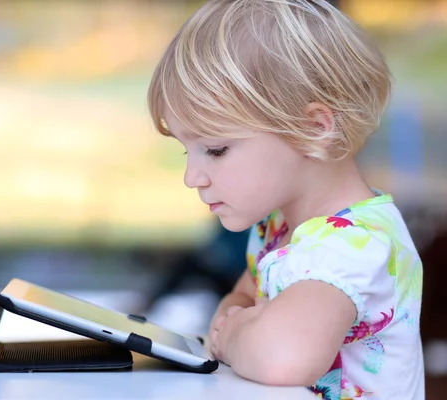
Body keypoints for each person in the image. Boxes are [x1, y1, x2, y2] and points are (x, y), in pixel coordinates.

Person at [146, 1, 424, 398]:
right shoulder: (280, 228)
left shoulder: (351, 245)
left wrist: (238, 331)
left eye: (216, 149)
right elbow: (240, 300)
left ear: (313, 129)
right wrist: (245, 326)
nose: (192, 177)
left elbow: (281, 357)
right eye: (186, 150)